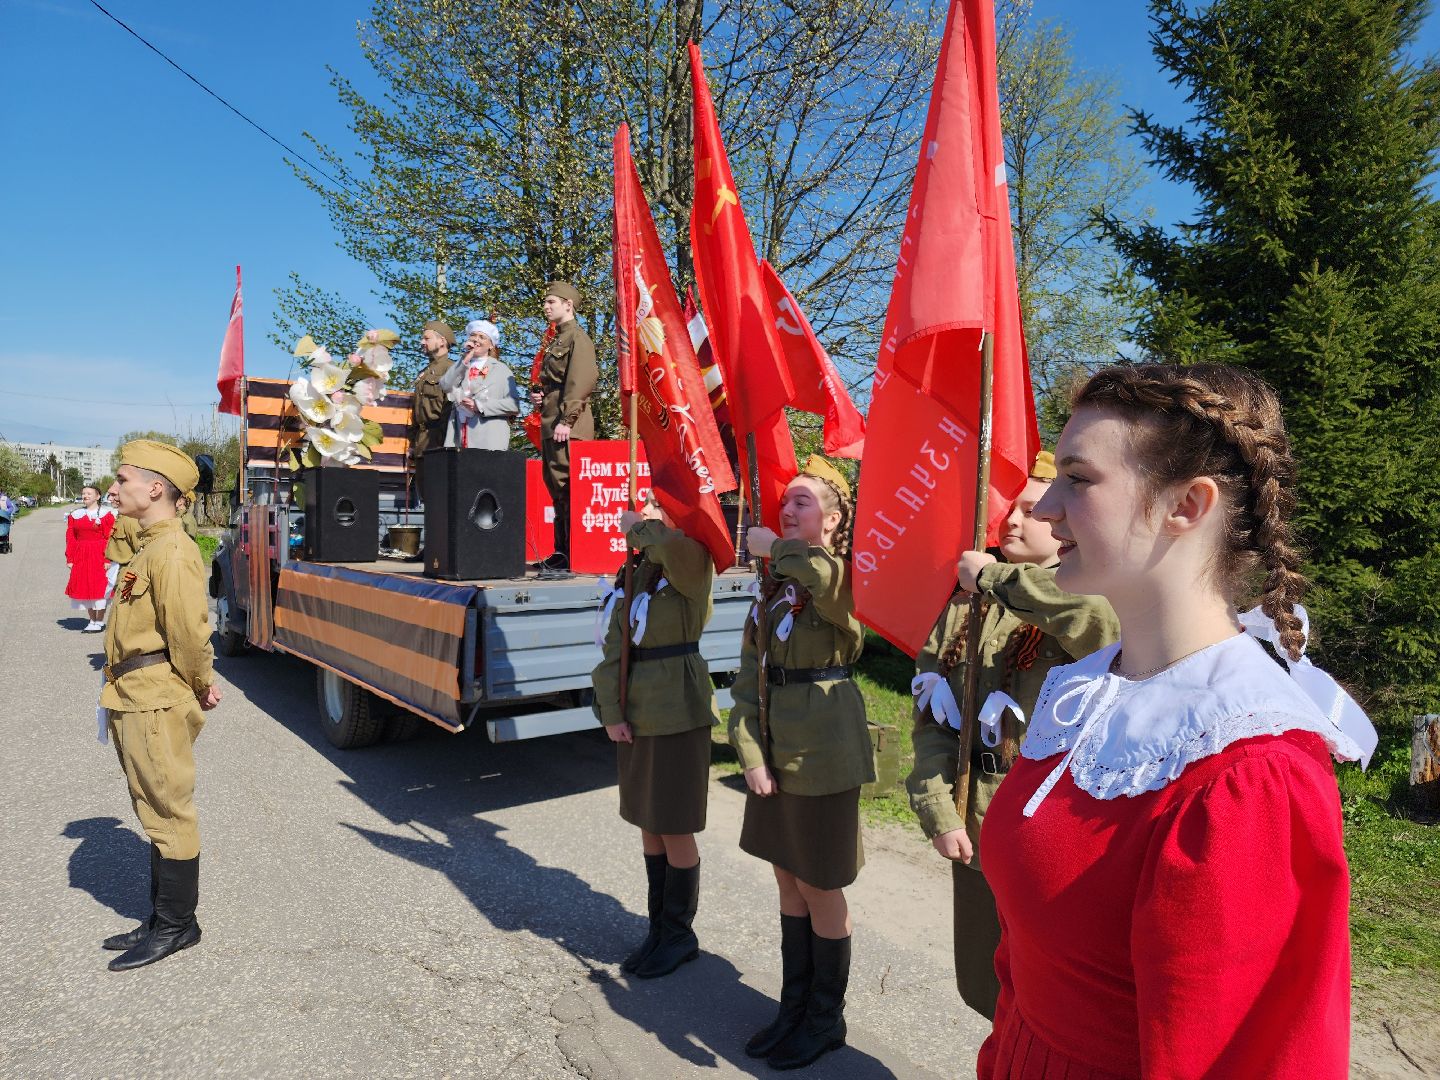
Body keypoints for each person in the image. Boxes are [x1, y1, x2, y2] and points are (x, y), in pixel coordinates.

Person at [977, 364, 1376, 1078]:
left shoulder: (1250, 769)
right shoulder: (1084, 694)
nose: (1043, 508)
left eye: (1080, 478)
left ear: (1187, 505)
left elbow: (1247, 1059)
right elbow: (1026, 962)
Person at [905, 451, 1118, 1022]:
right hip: (974, 820)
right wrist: (938, 807)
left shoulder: (1092, 597)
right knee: (983, 986)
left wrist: (996, 578)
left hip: (1044, 831)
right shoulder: (964, 609)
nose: (1013, 522)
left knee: (1048, 1003)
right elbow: (932, 720)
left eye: (1032, 511)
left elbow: (1095, 626)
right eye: (1009, 510)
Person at [731, 456, 870, 1071]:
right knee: (787, 878)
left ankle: (824, 1019)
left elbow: (827, 586)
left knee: (819, 882)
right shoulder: (774, 585)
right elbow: (746, 675)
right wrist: (751, 753)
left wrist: (773, 548)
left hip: (823, 750)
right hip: (775, 745)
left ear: (835, 520)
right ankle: (793, 1008)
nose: (788, 510)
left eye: (804, 503)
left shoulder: (843, 576)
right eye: (786, 501)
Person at [100, 440, 223, 971]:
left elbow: (190, 634)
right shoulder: (149, 543)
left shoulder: (172, 551)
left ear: (155, 488)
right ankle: (159, 917)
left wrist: (200, 683)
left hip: (154, 700)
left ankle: (177, 926)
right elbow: (119, 540)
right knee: (151, 807)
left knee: (169, 808)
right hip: (133, 694)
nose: (113, 487)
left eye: (123, 478)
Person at [591, 490, 718, 980]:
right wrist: (611, 709)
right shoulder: (639, 569)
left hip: (677, 709)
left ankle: (680, 934)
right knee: (647, 819)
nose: (646, 513)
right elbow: (614, 645)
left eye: (657, 507)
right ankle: (659, 930)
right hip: (638, 710)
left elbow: (671, 547)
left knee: (674, 822)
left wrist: (639, 526)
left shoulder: (691, 559)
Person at [533, 281, 597, 571]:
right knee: (556, 487)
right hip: (552, 418)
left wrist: (567, 420)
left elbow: (581, 381)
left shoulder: (577, 338)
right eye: (546, 303)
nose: (546, 307)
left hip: (567, 423)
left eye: (551, 302)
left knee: (569, 487)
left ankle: (572, 551)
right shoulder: (557, 339)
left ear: (568, 305)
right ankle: (562, 551)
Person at [440, 318, 522, 450]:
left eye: (482, 337)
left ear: (491, 345)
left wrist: (479, 406)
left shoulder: (500, 369)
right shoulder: (462, 366)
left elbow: (513, 405)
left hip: (488, 439)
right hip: (459, 437)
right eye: (473, 335)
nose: (476, 340)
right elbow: (445, 385)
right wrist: (464, 359)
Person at [409, 319, 456, 500]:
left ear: (442, 341)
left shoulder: (451, 369)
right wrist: (413, 443)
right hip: (422, 443)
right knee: (428, 500)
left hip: (439, 441)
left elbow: (450, 410)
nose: (422, 342)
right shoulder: (425, 372)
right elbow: (416, 412)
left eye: (427, 338)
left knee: (441, 500)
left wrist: (445, 444)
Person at [65, 484, 115, 631]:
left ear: (98, 496)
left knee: (100, 587)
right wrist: (70, 558)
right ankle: (92, 620)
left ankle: (99, 620)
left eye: (89, 493)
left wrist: (108, 559)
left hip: (100, 554)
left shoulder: (107, 514)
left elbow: (110, 537)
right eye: (84, 493)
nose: (85, 496)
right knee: (85, 586)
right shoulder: (75, 515)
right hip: (82, 555)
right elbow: (71, 537)